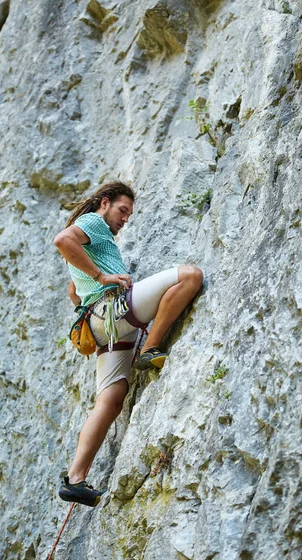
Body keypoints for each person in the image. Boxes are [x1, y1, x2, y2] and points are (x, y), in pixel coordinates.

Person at [54, 181, 203, 507]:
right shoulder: (93, 221)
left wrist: (91, 289)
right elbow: (62, 240)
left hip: (101, 324)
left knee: (111, 399)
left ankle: (75, 480)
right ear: (104, 203)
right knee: (190, 275)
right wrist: (102, 277)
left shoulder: (96, 238)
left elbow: (72, 292)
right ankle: (151, 347)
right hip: (114, 310)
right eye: (122, 211)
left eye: (129, 215)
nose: (125, 219)